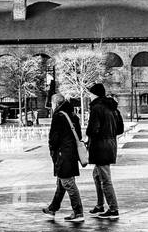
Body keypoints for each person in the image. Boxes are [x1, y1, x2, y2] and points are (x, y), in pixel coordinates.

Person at [42, 94, 85, 222]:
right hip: (71, 153)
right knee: (62, 183)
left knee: (68, 183)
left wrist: (53, 151)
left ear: (55, 103)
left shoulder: (58, 116)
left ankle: (78, 213)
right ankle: (52, 209)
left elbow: (54, 139)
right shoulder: (72, 115)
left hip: (63, 154)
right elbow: (79, 134)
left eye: (52, 103)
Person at [85, 83, 123, 218]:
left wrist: (89, 137)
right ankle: (100, 205)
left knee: (105, 179)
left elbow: (92, 129)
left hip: (100, 147)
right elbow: (120, 129)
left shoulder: (97, 108)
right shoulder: (113, 108)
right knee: (97, 175)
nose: (89, 96)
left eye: (90, 94)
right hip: (111, 145)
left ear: (95, 94)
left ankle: (113, 209)